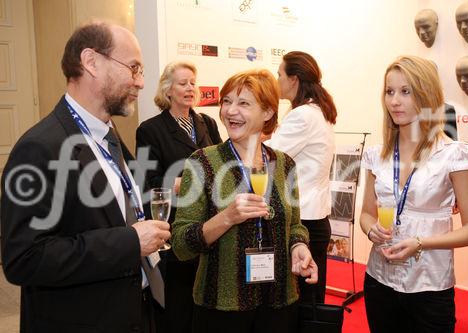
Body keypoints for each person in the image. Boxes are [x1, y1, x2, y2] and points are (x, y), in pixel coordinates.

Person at [0, 22, 170, 333]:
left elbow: (114, 207)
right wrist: (130, 241)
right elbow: (25, 258)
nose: (141, 82)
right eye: (133, 68)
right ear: (91, 62)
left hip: (136, 310)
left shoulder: (110, 134)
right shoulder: (39, 148)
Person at [171, 69, 318, 333]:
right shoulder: (202, 162)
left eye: (243, 103)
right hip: (221, 307)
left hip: (279, 302)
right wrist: (227, 217)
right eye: (226, 101)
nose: (230, 111)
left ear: (268, 113)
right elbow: (182, 244)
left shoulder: (284, 165)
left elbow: (296, 226)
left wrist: (299, 246)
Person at [360, 55, 468, 333]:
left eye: (406, 91)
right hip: (379, 280)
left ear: (426, 94)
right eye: (389, 92)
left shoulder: (454, 155)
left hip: (429, 284)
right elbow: (366, 214)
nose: (394, 101)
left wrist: (420, 242)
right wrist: (371, 231)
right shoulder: (375, 156)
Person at [136, 61, 222, 333]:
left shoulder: (207, 122)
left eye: (193, 83)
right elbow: (143, 182)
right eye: (183, 83)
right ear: (167, 90)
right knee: (178, 305)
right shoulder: (149, 130)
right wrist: (182, 184)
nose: (190, 89)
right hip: (175, 226)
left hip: (209, 224)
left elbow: (220, 163)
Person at [265, 51, 336, 303]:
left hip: (303, 221)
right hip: (313, 218)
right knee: (310, 300)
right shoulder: (316, 111)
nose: (277, 80)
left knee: (303, 304)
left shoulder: (303, 115)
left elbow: (268, 157)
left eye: (279, 75)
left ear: (293, 79)